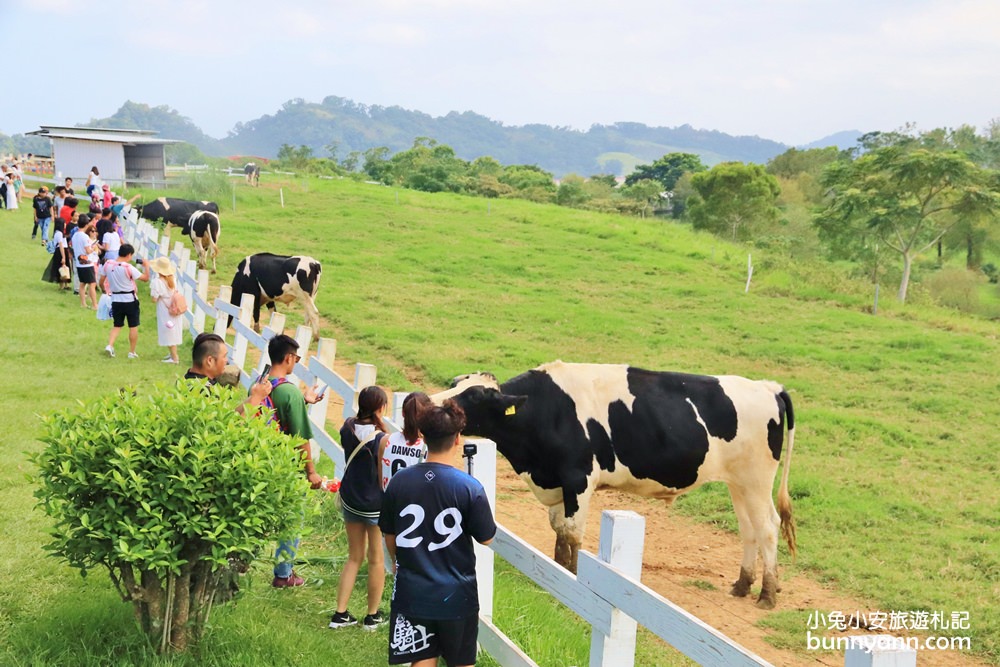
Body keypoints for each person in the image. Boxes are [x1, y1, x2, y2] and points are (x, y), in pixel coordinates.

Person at [379, 400, 497, 667]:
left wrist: (402, 563)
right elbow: (486, 537)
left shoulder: (399, 482)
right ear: (458, 439)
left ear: (422, 436)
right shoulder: (469, 487)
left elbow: (389, 535)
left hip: (413, 590)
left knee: (420, 660)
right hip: (458, 593)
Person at [262, 334, 325, 587]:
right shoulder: (290, 392)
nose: (295, 362)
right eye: (296, 358)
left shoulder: (262, 383)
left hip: (262, 460)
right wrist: (311, 472)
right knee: (291, 519)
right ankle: (284, 572)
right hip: (287, 467)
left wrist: (303, 401)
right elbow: (300, 438)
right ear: (288, 357)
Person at [329, 385, 391, 631]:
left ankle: (340, 613)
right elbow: (382, 475)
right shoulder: (382, 439)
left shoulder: (347, 428)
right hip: (374, 504)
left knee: (354, 557)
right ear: (380, 407)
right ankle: (372, 616)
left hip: (351, 499)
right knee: (376, 559)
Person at [184, 332, 272, 413]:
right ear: (210, 361)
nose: (226, 361)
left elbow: (228, 417)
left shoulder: (190, 380)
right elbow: (234, 429)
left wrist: (253, 396)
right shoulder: (202, 392)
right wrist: (257, 398)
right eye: (224, 356)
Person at [100, 243, 150, 358]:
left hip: (116, 299)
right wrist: (146, 266)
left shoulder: (108, 264)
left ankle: (110, 345)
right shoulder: (128, 268)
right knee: (133, 326)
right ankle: (132, 352)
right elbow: (145, 279)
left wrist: (104, 290)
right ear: (128, 255)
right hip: (130, 299)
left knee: (117, 325)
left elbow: (101, 280)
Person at [382, 392, 433, 490]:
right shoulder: (431, 447)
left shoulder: (385, 441)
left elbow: (382, 483)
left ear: (403, 413)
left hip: (389, 502)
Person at [148, 257, 183, 364]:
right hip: (174, 306)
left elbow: (154, 299)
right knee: (172, 330)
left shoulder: (157, 282)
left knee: (168, 331)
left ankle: (174, 357)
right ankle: (172, 354)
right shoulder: (173, 279)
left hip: (165, 309)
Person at [71, 215, 98, 308]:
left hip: (79, 263)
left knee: (82, 283)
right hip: (87, 263)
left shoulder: (75, 235)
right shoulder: (85, 237)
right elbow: (88, 251)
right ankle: (94, 304)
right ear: (86, 224)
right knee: (92, 283)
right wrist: (93, 248)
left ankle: (83, 303)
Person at [41, 218, 72, 291]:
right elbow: (61, 245)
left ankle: (66, 284)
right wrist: (63, 257)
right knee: (61, 268)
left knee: (65, 268)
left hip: (63, 250)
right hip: (61, 251)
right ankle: (62, 285)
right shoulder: (59, 233)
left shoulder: (60, 233)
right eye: (64, 223)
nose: (65, 225)